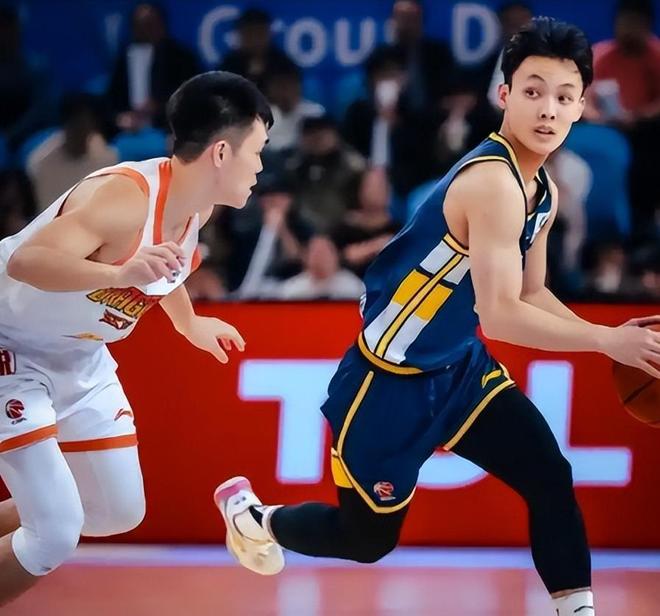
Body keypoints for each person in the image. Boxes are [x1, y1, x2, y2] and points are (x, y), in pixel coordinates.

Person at [215, 18, 660, 616]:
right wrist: (604, 341)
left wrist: (609, 337)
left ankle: (576, 610)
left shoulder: (544, 192)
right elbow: (501, 316)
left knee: (549, 475)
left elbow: (531, 293)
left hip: (459, 371)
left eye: (563, 96)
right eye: (533, 92)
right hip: (387, 385)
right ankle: (255, 517)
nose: (548, 110)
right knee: (367, 541)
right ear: (504, 95)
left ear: (582, 107)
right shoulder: (493, 183)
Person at [0, 71, 271, 606]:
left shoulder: (196, 208)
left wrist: (190, 324)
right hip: (12, 344)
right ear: (221, 152)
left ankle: (44, 509)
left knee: (115, 510)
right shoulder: (122, 198)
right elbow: (27, 262)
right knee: (54, 533)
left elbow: (164, 269)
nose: (262, 166)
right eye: (257, 151)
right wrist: (116, 274)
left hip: (78, 354)